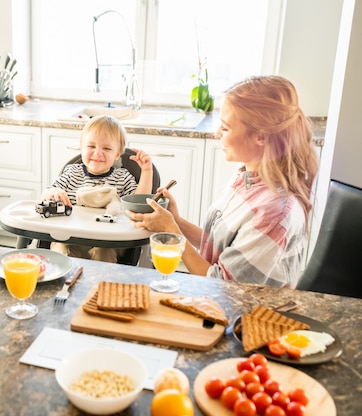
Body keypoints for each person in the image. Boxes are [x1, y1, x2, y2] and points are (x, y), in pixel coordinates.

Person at [128, 75, 318, 288]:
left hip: (244, 316)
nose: (217, 133)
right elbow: (221, 248)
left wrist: (173, 231)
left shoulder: (273, 210)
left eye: (225, 127)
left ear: (261, 137)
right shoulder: (247, 178)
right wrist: (176, 221)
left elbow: (224, 286)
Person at [41, 115, 153, 263]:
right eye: (91, 146)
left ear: (118, 153)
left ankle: (101, 284)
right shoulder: (72, 173)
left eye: (106, 148)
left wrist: (146, 171)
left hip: (108, 242)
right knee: (60, 247)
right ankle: (63, 283)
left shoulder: (122, 177)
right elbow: (46, 194)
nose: (97, 153)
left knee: (103, 252)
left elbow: (138, 205)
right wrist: (53, 192)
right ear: (81, 147)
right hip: (71, 238)